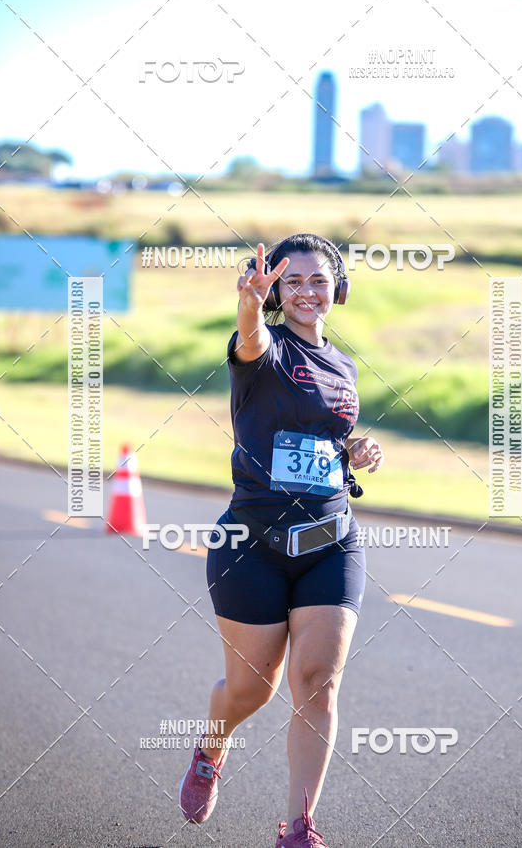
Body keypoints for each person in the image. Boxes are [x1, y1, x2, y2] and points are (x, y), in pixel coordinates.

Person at [179, 233, 384, 846]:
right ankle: (212, 749)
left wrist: (354, 447)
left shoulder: (343, 365)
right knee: (252, 689)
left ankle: (299, 827)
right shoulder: (262, 348)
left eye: (318, 280)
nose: (306, 291)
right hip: (252, 544)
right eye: (291, 281)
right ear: (272, 289)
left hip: (330, 537)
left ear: (337, 290)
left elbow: (322, 433)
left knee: (318, 680)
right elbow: (251, 338)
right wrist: (248, 305)